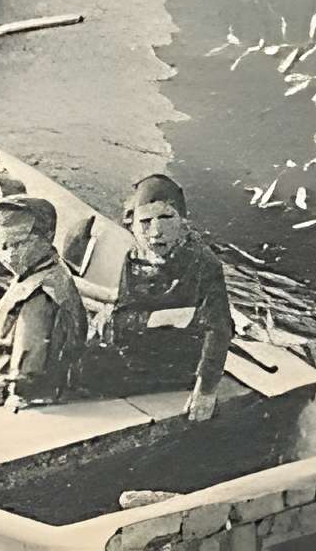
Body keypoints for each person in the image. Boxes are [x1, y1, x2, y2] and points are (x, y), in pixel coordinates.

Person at [84, 173, 233, 422]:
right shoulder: (134, 259)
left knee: (79, 374)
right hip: (139, 351)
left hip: (179, 364)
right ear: (132, 224)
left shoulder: (203, 262)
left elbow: (219, 328)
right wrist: (162, 317)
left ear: (183, 221)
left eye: (166, 218)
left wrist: (206, 390)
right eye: (145, 221)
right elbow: (123, 317)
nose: (156, 231)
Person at [0, 174, 89, 407]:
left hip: (35, 396)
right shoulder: (37, 271)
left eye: (20, 243)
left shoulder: (42, 294)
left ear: (48, 237)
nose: (11, 255)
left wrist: (6, 389)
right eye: (4, 246)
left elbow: (28, 372)